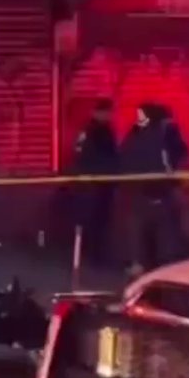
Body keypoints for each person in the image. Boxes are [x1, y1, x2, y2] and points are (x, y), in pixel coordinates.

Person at [120, 102, 188, 275]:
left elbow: (175, 155)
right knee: (147, 233)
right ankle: (150, 266)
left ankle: (154, 267)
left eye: (141, 115)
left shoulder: (162, 134)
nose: (139, 119)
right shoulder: (140, 134)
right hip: (146, 193)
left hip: (154, 193)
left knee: (159, 234)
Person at [70, 98, 119, 268]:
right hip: (98, 183)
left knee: (94, 220)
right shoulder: (100, 131)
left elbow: (78, 152)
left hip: (91, 182)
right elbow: (107, 157)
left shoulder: (88, 130)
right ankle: (96, 256)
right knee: (97, 220)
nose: (110, 115)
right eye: (107, 112)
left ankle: (91, 254)